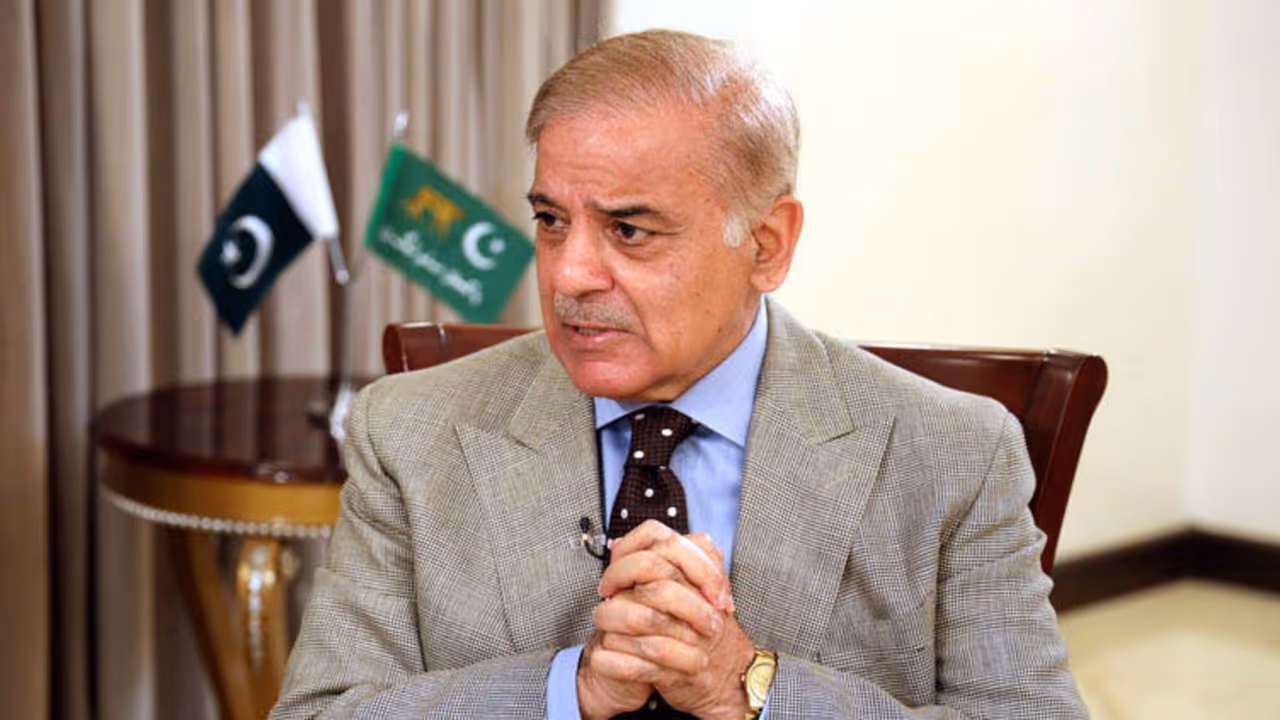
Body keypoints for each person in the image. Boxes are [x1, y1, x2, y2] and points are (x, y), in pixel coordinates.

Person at [272, 29, 1087, 719]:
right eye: (550, 220)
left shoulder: (954, 454)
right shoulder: (409, 432)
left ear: (766, 245)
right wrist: (569, 689)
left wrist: (752, 687)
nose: (567, 275)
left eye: (629, 230)